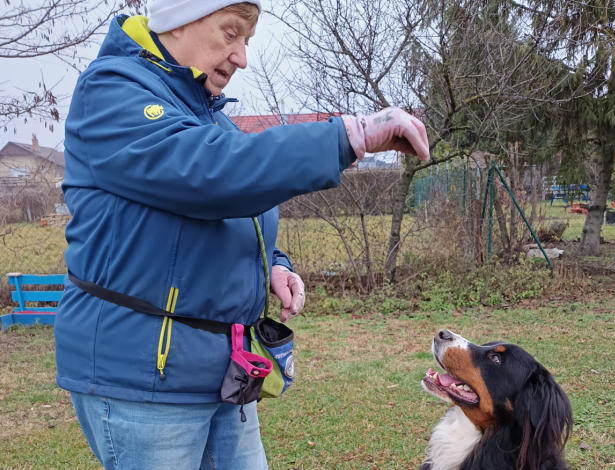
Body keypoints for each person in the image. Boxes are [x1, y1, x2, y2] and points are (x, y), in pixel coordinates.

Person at [54, 1, 430, 469]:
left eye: (247, 41)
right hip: (143, 378)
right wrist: (348, 136)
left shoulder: (207, 114)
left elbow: (228, 208)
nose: (241, 58)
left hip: (222, 373)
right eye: (230, 33)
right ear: (177, 21)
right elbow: (212, 173)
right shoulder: (112, 90)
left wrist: (272, 263)